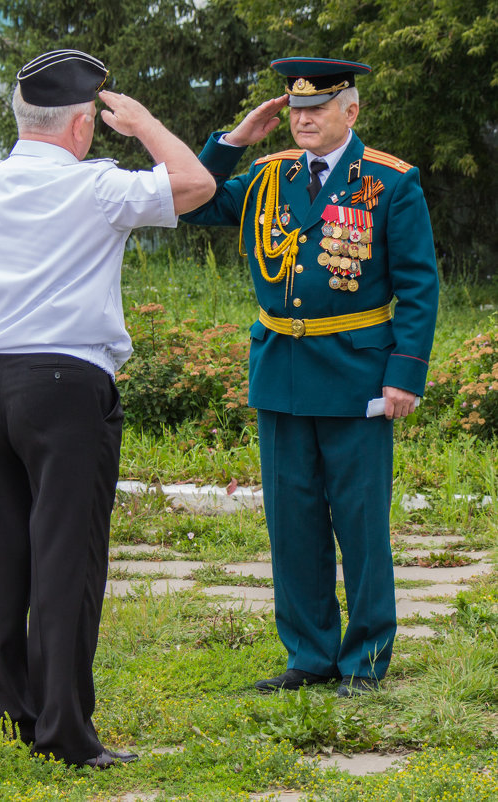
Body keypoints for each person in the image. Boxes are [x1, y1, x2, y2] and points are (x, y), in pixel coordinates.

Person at [0, 49, 215, 767]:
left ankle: (2, 718)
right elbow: (197, 183)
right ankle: (64, 733)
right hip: (65, 387)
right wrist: (144, 124)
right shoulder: (98, 188)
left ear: (23, 119)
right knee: (65, 559)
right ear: (84, 125)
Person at [181, 57, 438, 697]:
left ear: (349, 112)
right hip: (283, 374)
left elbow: (418, 285)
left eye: (316, 109)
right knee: (291, 521)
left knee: (360, 523)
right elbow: (192, 202)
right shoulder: (268, 178)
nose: (302, 120)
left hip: (357, 377)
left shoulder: (390, 183)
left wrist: (404, 374)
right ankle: (309, 654)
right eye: (295, 110)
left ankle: (365, 659)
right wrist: (234, 141)